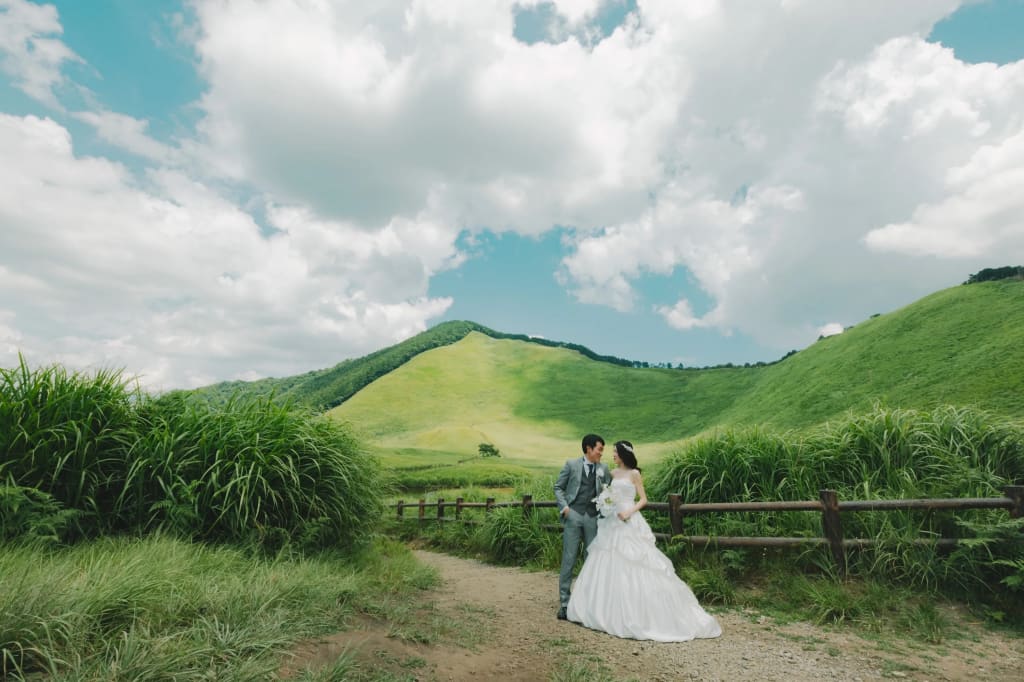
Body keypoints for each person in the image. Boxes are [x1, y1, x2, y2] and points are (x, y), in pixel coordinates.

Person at [566, 440, 722, 642]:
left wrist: (629, 511)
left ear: (623, 454)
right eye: (611, 451)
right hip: (613, 521)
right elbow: (608, 495)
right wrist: (607, 504)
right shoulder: (612, 474)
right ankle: (604, 610)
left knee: (638, 561)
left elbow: (643, 499)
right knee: (607, 559)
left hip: (630, 519)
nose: (612, 454)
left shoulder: (634, 474)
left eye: (615, 452)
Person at [553, 433, 609, 620]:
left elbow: (609, 490)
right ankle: (564, 603)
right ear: (588, 449)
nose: (601, 453)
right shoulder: (571, 465)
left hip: (593, 518)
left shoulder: (604, 468)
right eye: (599, 449)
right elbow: (558, 487)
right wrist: (565, 508)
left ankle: (587, 603)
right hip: (573, 515)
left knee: (591, 560)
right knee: (568, 558)